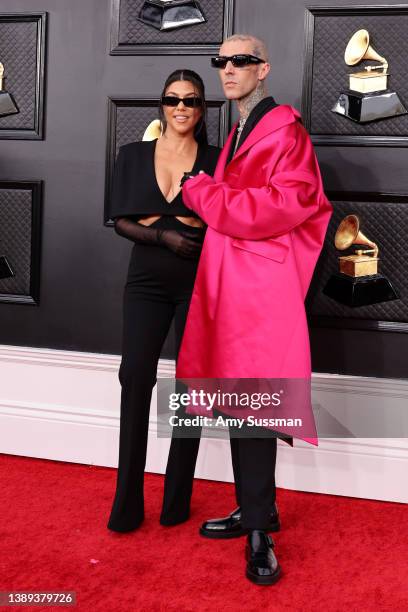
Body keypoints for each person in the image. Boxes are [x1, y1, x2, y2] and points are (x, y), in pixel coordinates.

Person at [177, 35, 333, 584]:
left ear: (263, 68)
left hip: (258, 288)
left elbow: (287, 204)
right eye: (221, 61)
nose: (228, 69)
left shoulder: (283, 130)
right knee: (238, 400)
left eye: (241, 61)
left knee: (256, 402)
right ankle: (253, 510)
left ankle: (262, 531)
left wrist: (201, 193)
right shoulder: (242, 128)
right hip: (233, 281)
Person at [107, 69, 220, 532]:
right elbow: (120, 220)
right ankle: (127, 503)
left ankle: (177, 502)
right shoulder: (134, 155)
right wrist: (165, 236)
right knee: (135, 376)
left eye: (191, 101)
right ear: (161, 104)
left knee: (191, 388)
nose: (181, 107)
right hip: (146, 280)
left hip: (199, 281)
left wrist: (189, 236)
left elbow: (226, 219)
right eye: (173, 99)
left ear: (201, 109)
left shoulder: (217, 159)